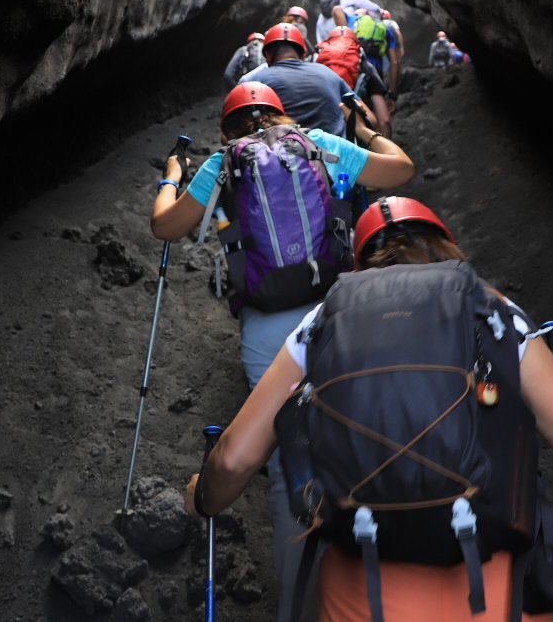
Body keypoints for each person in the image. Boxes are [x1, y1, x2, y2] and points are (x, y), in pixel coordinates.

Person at [183, 196, 553, 622]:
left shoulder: (323, 321)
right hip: (495, 592)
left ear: (360, 265)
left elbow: (236, 458)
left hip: (363, 591)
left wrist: (202, 498)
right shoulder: (492, 311)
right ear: (447, 247)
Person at [152, 85, 415, 622]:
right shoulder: (315, 142)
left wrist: (171, 177)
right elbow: (401, 172)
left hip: (266, 333)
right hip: (339, 314)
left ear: (227, 130)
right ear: (280, 114)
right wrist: (366, 132)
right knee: (360, 438)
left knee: (285, 458)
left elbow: (166, 226)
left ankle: (297, 606)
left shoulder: (222, 162)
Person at [244, 22, 353, 139]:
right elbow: (368, 118)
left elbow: (231, 133)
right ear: (303, 55)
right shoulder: (329, 73)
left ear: (267, 55)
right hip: (336, 154)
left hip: (279, 155)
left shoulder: (253, 81)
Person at [315, 0, 383, 44]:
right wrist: (380, 14)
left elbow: (319, 25)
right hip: (342, 34)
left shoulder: (329, 0)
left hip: (326, 37)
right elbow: (373, 8)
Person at [381, 10, 404, 110]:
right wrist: (401, 48)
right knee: (393, 63)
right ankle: (392, 90)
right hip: (392, 45)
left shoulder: (379, 23)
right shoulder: (392, 23)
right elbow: (398, 34)